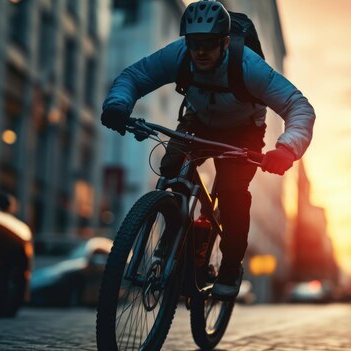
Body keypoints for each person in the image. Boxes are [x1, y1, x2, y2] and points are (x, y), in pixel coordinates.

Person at [100, 0, 315, 299]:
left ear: (225, 42)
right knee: (171, 168)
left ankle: (229, 266)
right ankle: (172, 239)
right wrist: (118, 105)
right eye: (194, 43)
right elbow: (134, 77)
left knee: (231, 193)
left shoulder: (248, 66)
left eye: (209, 44)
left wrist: (286, 149)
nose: (200, 52)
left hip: (244, 131)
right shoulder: (179, 55)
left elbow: (298, 106)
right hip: (197, 120)